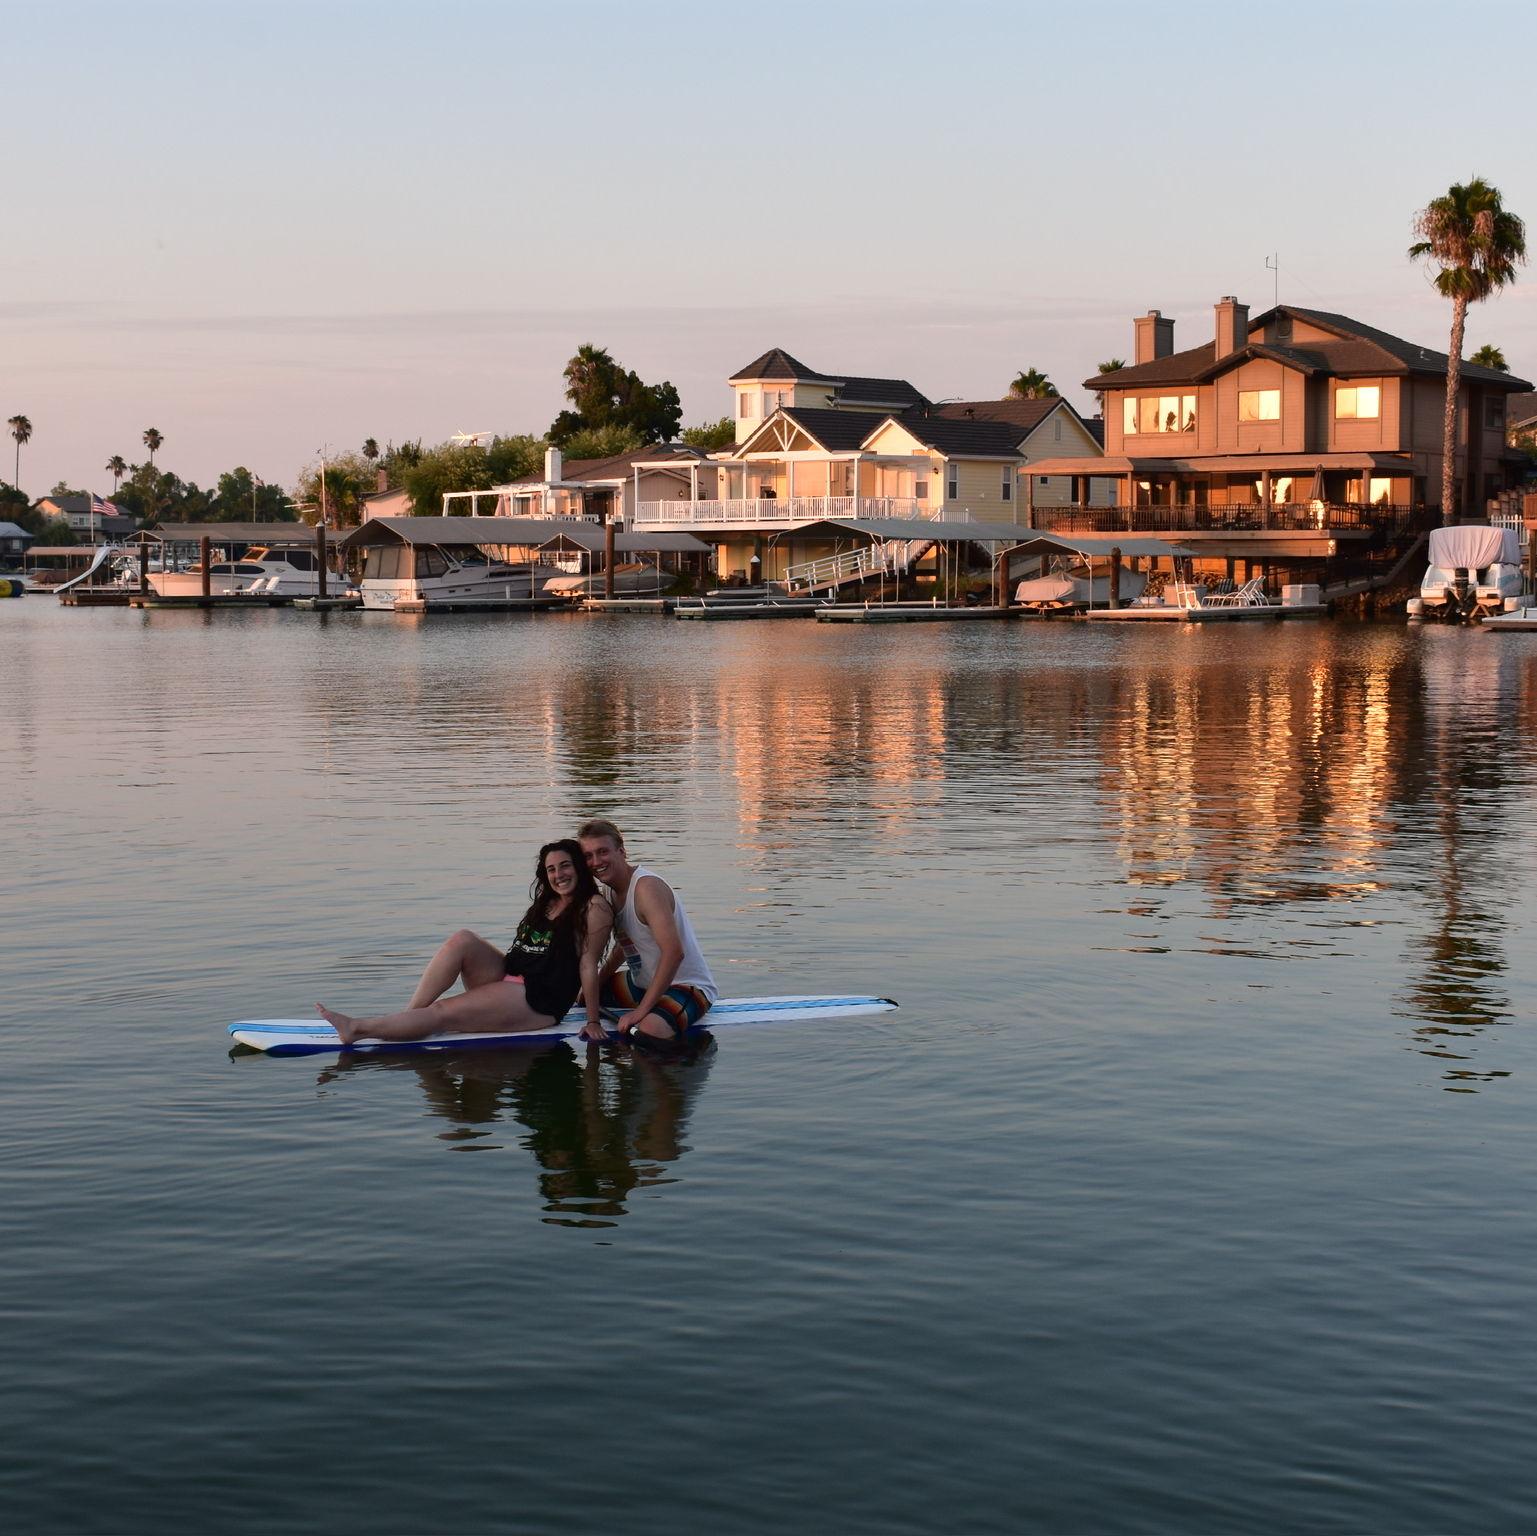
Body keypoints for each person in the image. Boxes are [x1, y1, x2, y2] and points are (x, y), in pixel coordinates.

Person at [316, 840, 613, 1046]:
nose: (558, 875)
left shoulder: (592, 907)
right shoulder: (548, 901)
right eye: (551, 869)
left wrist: (592, 1020)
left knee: (443, 1013)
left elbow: (588, 964)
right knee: (463, 939)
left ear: (578, 867)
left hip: (537, 999)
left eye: (565, 866)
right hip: (511, 977)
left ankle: (355, 1029)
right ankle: (410, 1017)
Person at [576, 818, 717, 1043]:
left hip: (685, 984)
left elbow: (674, 953)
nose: (596, 861)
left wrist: (640, 1012)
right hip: (643, 983)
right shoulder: (608, 893)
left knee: (649, 1030)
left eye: (603, 852)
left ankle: (690, 1054)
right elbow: (624, 946)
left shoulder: (646, 889)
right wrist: (597, 983)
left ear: (621, 851)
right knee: (585, 993)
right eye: (588, 856)